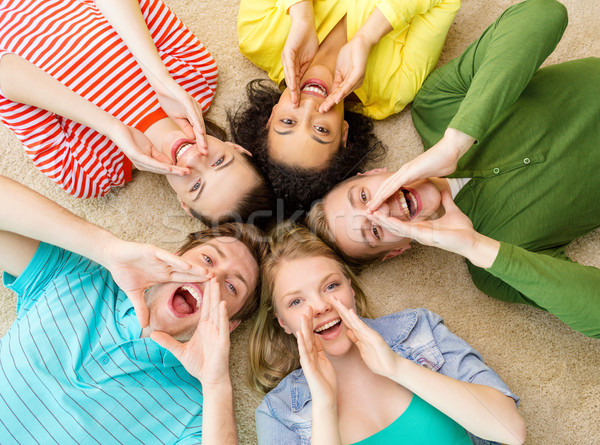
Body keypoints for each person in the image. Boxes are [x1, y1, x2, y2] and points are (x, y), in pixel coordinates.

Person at [306, 0, 600, 338]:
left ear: (372, 173)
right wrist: (475, 246)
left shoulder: (435, 106)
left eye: (363, 197)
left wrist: (456, 142)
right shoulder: (491, 268)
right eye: (374, 230)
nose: (382, 209)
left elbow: (545, 14)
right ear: (397, 250)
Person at [0, 175, 267, 443]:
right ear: (175, 257)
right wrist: (106, 248)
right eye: (207, 258)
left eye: (232, 287)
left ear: (230, 324)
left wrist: (215, 383)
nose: (212, 277)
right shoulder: (78, 274)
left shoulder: (194, 415)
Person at [0, 0, 272, 224]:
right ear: (237, 148)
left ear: (184, 205)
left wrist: (110, 127)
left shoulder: (91, 174)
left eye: (196, 186)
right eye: (218, 162)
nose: (192, 161)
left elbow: (5, 74)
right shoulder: (197, 76)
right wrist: (159, 76)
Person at [249, 225, 525, 445]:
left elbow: (511, 431)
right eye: (296, 302)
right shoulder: (278, 413)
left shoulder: (418, 330)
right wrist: (324, 404)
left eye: (331, 286)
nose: (321, 306)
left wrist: (397, 368)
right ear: (282, 322)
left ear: (351, 289)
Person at [231, 0, 460, 213]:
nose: (310, 105)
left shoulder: (257, 36)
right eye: (321, 130)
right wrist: (368, 36)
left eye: (288, 121)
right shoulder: (394, 88)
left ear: (271, 117)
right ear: (343, 134)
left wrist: (302, 17)